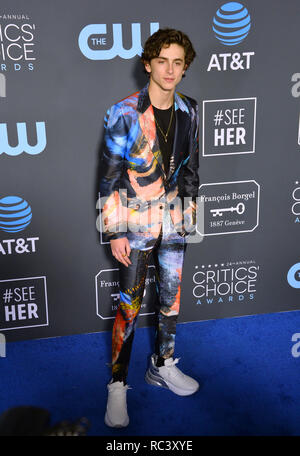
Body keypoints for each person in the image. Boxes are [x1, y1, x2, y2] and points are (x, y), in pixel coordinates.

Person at [99, 28, 200, 428]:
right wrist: (115, 230)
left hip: (175, 221)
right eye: (162, 61)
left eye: (178, 62)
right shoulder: (123, 112)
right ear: (148, 64)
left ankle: (163, 364)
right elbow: (109, 177)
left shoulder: (191, 109)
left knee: (171, 301)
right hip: (135, 222)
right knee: (128, 307)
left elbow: (192, 169)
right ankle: (117, 386)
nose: (170, 69)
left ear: (185, 67)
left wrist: (188, 212)